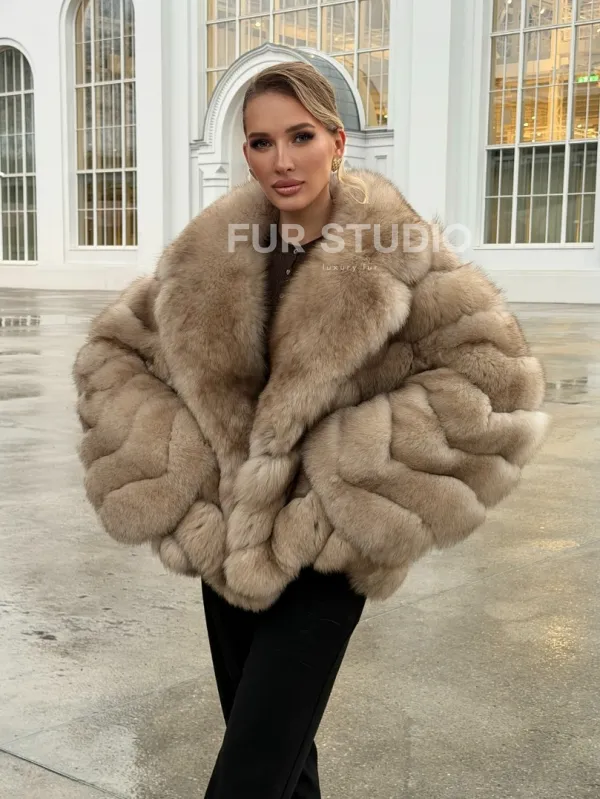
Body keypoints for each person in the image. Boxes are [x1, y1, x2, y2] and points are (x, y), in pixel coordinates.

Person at [73, 62, 549, 798]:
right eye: (261, 142)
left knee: (251, 768)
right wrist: (182, 466)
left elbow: (495, 377)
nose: (282, 160)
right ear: (245, 152)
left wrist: (348, 479)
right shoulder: (210, 253)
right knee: (283, 768)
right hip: (226, 540)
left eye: (300, 137)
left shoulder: (397, 250)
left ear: (337, 142)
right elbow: (112, 353)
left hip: (327, 547)